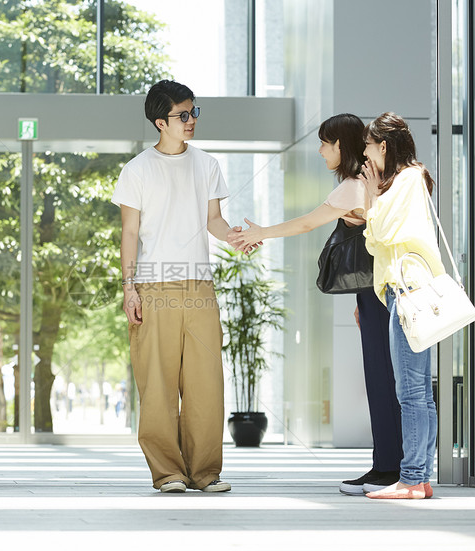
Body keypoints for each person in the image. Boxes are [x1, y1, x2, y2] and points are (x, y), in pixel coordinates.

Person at [229, 113, 403, 495]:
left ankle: (388, 468)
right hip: (380, 289)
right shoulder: (371, 183)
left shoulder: (354, 187)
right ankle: (388, 464)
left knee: (380, 378)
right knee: (385, 378)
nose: (321, 149)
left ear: (341, 144)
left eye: (325, 142)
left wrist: (260, 232)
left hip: (380, 293)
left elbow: (308, 223)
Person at [111, 79, 240, 494]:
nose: (191, 121)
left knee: (206, 384)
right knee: (158, 384)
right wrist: (129, 288)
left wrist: (236, 237)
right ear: (159, 122)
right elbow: (129, 234)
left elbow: (214, 221)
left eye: (194, 112)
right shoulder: (136, 170)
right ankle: (167, 472)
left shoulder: (207, 165)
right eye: (182, 115)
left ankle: (205, 472)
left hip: (200, 286)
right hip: (153, 286)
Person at [360, 112, 444, 500]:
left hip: (407, 289)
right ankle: (421, 477)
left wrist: (371, 195)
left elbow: (377, 234)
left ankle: (411, 479)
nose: (365, 153)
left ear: (383, 146)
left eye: (367, 145)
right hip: (412, 288)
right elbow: (378, 238)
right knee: (420, 391)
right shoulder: (410, 179)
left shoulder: (406, 179)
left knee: (410, 391)